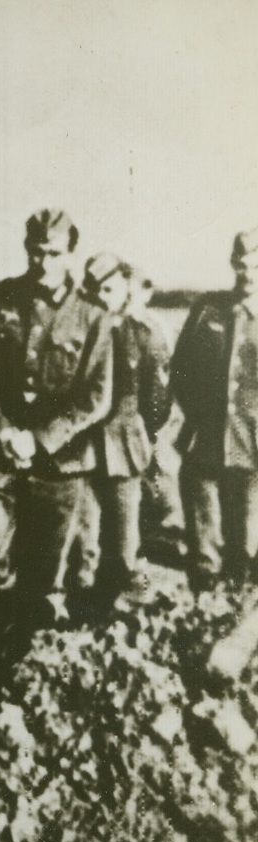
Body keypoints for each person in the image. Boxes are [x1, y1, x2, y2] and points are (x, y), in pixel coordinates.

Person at [0, 208, 114, 644]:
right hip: (0, 454)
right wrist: (1, 428)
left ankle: (31, 656)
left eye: (53, 253)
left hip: (60, 463)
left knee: (46, 572)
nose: (43, 263)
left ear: (71, 254)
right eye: (35, 252)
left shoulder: (93, 316)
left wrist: (42, 439)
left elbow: (95, 397)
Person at [80, 254, 170, 608]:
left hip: (125, 446)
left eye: (109, 290)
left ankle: (124, 597)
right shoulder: (75, 331)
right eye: (94, 291)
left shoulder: (142, 335)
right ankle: (81, 598)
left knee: (123, 531)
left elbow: (157, 399)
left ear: (124, 291)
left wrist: (141, 432)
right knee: (83, 530)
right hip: (81, 445)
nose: (102, 298)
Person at [172, 226, 258, 591]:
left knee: (246, 538)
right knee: (202, 534)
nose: (248, 274)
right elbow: (180, 368)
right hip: (205, 437)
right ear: (232, 263)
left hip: (252, 443)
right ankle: (202, 600)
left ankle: (240, 604)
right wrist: (198, 414)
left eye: (256, 266)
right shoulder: (208, 308)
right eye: (242, 265)